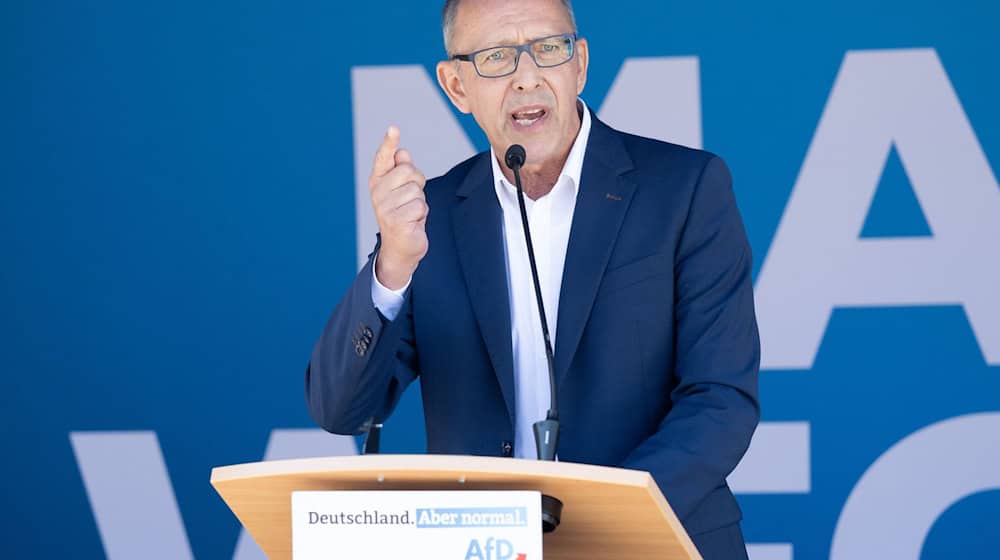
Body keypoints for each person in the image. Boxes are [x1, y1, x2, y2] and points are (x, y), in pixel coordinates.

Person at [306, 0, 760, 557]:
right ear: (456, 87)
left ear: (580, 64)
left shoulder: (685, 190)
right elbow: (340, 410)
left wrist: (594, 525)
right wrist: (393, 267)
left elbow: (722, 400)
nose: (527, 77)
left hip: (650, 542)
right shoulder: (433, 218)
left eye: (548, 49)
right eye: (497, 57)